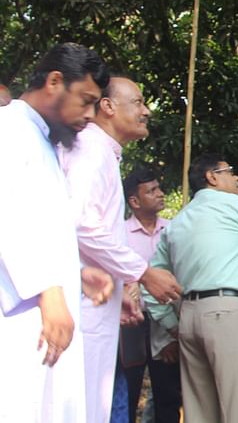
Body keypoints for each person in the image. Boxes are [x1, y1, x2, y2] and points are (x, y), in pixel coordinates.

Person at [0, 42, 114, 422]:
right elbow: (7, 216)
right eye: (85, 100)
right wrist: (49, 291)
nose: (89, 115)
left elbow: (37, 228)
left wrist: (76, 275)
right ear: (54, 81)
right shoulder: (10, 130)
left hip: (40, 308)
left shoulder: (42, 142)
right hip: (21, 313)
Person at [60, 76, 183, 423]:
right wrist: (142, 273)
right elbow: (84, 224)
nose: (146, 111)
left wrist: (120, 288)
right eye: (139, 102)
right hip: (80, 308)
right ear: (108, 106)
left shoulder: (105, 154)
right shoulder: (91, 150)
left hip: (98, 302)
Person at [145, 153, 238, 423]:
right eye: (230, 171)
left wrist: (171, 322)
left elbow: (150, 283)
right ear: (212, 177)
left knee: (199, 410)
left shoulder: (177, 222)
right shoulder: (237, 206)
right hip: (228, 310)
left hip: (188, 318)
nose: (237, 177)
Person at [114, 169, 182, 423]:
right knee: (127, 390)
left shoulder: (174, 230)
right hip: (132, 321)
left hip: (165, 323)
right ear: (134, 201)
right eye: (151, 190)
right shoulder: (118, 233)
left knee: (168, 393)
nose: (160, 193)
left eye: (159, 188)